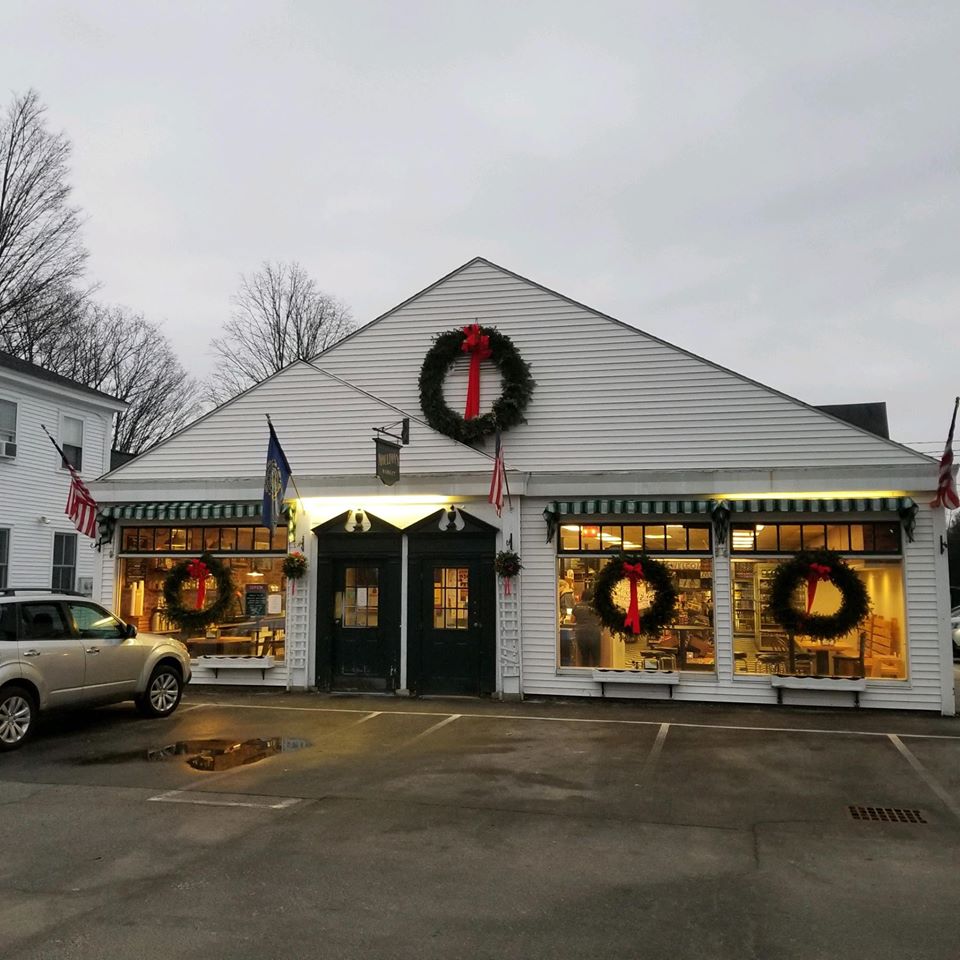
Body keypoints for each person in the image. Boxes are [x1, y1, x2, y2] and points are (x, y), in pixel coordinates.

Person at [572, 586, 602, 667]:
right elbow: (601, 619)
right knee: (596, 658)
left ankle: (585, 673)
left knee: (584, 658)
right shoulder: (597, 606)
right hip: (594, 632)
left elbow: (572, 620)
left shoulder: (577, 606)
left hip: (581, 633)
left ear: (582, 596)